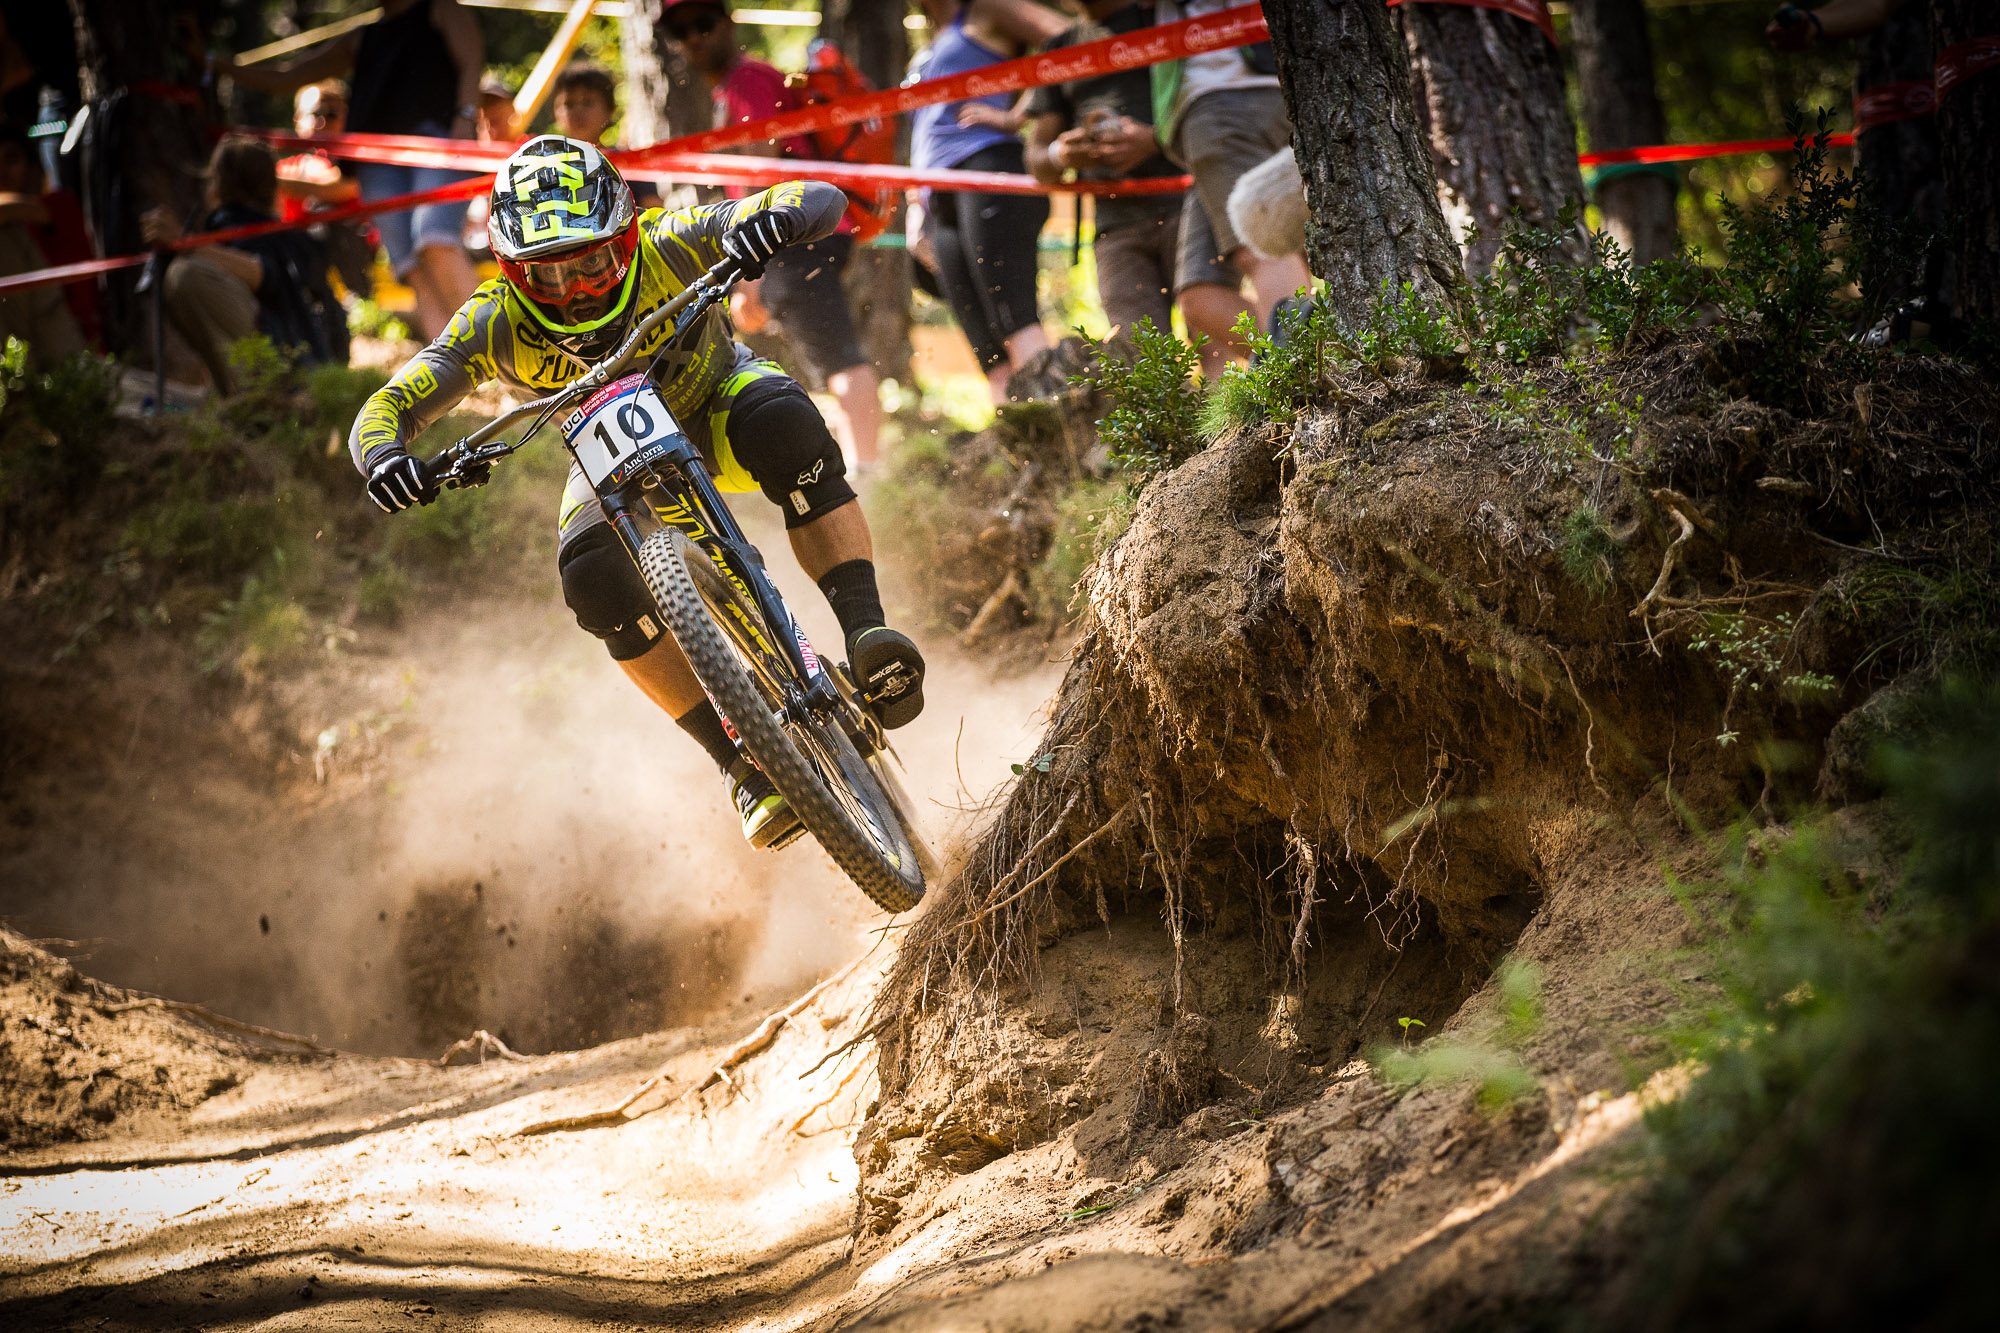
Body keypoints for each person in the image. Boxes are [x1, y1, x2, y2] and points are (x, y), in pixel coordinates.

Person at [349, 137, 928, 847]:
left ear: (624, 238)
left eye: (591, 264)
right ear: (510, 269)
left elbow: (819, 198)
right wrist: (386, 457)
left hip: (715, 403)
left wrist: (769, 223)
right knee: (591, 577)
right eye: (547, 276)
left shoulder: (667, 239)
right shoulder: (490, 318)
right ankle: (738, 764)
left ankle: (867, 631)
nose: (575, 291)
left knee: (785, 423)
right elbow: (390, 404)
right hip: (606, 462)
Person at [662, 0, 882, 472]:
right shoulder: (737, 85)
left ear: (728, 24)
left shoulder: (748, 80)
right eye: (681, 32)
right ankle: (857, 465)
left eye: (703, 23)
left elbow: (760, 175)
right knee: (824, 355)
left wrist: (749, 273)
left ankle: (868, 471)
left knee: (837, 356)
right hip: (802, 234)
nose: (694, 37)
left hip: (793, 237)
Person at [211, 0, 484, 341]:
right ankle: (456, 362)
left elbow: (472, 61)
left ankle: (502, 351)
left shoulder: (439, 10)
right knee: (410, 267)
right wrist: (215, 64)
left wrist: (466, 116)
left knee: (436, 242)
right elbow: (289, 75)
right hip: (376, 159)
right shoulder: (364, 37)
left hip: (436, 143)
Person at [1023, 0, 1239, 362]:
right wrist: (1064, 154)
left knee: (1214, 345)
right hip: (1115, 228)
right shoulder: (1058, 49)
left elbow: (1219, 109)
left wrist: (1155, 140)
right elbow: (1036, 159)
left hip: (1191, 206)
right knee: (1138, 359)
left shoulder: (1168, 18)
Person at [910, 0, 1068, 405]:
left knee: (1014, 317)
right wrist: (916, 208)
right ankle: (1015, 436)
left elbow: (1068, 37)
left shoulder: (986, 9)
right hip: (937, 194)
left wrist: (1018, 116)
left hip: (989, 166)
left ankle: (1060, 422)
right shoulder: (934, 37)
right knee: (985, 344)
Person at [1149, 0, 1311, 337]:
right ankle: (1293, 357)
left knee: (1263, 247)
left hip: (1224, 89)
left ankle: (1306, 362)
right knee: (1200, 295)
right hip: (1230, 96)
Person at [138, 136, 348, 393]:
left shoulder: (249, 231)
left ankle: (258, 397)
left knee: (186, 275)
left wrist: (185, 243)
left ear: (216, 189)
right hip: (311, 365)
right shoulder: (283, 235)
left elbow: (263, 273)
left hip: (291, 371)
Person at [0, 121, 90, 367]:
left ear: (32, 168)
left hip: (74, 343)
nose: (2, 170)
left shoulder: (60, 204)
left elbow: (9, 211)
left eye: (11, 159)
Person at [276, 81, 375, 297]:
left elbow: (343, 188)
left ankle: (359, 300)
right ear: (297, 120)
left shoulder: (360, 159)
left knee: (331, 221)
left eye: (332, 114)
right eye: (315, 114)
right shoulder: (285, 168)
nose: (322, 122)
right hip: (301, 256)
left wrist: (284, 184)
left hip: (360, 253)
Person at [548, 61, 663, 210]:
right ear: (555, 112)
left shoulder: (629, 164)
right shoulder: (546, 167)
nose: (577, 111)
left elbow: (653, 213)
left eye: (587, 103)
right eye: (568, 104)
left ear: (610, 109)